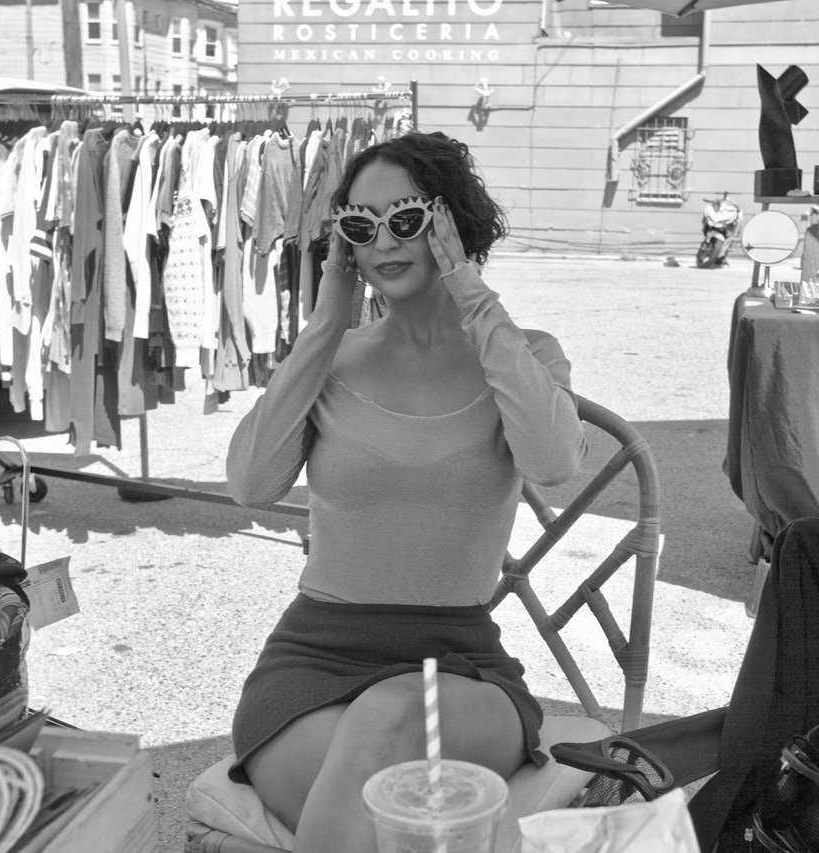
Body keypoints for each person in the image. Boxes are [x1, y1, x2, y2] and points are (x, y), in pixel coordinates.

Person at [225, 130, 588, 852]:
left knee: (390, 719)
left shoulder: (524, 354)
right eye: (360, 225)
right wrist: (326, 323)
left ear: (451, 221)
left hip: (462, 667)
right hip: (313, 661)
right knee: (383, 812)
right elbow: (251, 483)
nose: (382, 241)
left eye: (407, 219)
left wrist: (475, 300)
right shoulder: (334, 359)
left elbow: (553, 464)